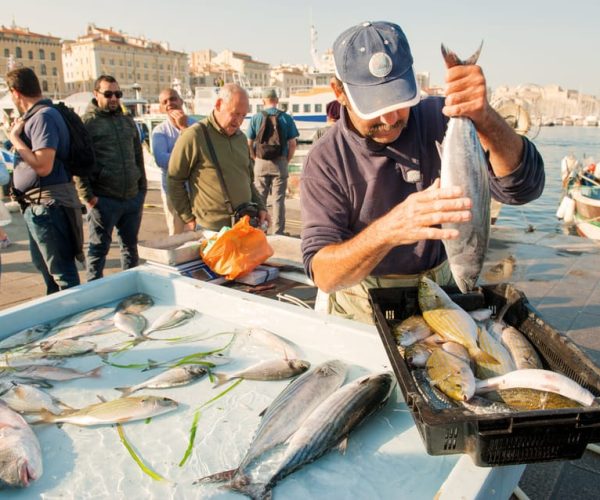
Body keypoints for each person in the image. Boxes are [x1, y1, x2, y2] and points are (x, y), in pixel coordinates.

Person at [301, 21, 545, 324]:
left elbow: (523, 189)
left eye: (398, 100)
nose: (390, 118)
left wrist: (486, 119)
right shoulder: (325, 159)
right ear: (339, 92)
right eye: (374, 107)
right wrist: (387, 231)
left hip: (441, 293)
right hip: (363, 306)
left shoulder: (440, 117)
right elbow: (323, 274)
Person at [6, 67, 84, 294]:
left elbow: (43, 165)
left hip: (49, 207)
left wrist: (14, 138)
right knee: (49, 269)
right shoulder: (39, 116)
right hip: (39, 205)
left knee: (62, 274)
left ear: (15, 93)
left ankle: (76, 319)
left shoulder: (43, 117)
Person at [168, 83, 269, 232]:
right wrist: (188, 218)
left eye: (243, 115)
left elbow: (248, 181)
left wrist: (261, 207)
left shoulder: (241, 139)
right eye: (235, 113)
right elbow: (174, 179)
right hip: (210, 230)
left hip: (244, 226)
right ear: (218, 104)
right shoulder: (194, 136)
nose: (239, 121)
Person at [75, 75, 146, 281]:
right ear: (96, 94)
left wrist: (141, 188)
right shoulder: (87, 124)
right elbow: (79, 162)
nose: (114, 98)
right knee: (98, 251)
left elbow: (137, 155)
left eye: (117, 94)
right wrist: (87, 196)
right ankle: (93, 292)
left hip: (132, 198)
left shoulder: (127, 121)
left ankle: (130, 288)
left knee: (130, 249)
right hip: (104, 199)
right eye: (108, 94)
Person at [247, 88, 299, 235]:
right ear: (277, 101)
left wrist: (255, 158)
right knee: (278, 200)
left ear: (263, 101)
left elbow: (249, 143)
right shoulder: (286, 118)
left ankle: (259, 231)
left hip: (260, 162)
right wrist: (286, 160)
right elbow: (293, 143)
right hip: (280, 163)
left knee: (259, 198)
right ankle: (278, 232)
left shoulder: (256, 118)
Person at [151, 88, 197, 235]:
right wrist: (189, 157)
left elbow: (204, 155)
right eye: (165, 102)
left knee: (199, 234)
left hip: (197, 190)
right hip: (173, 193)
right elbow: (161, 160)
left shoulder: (196, 126)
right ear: (161, 108)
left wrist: (184, 127)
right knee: (176, 234)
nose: (169, 103)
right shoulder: (160, 131)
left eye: (173, 99)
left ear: (181, 101)